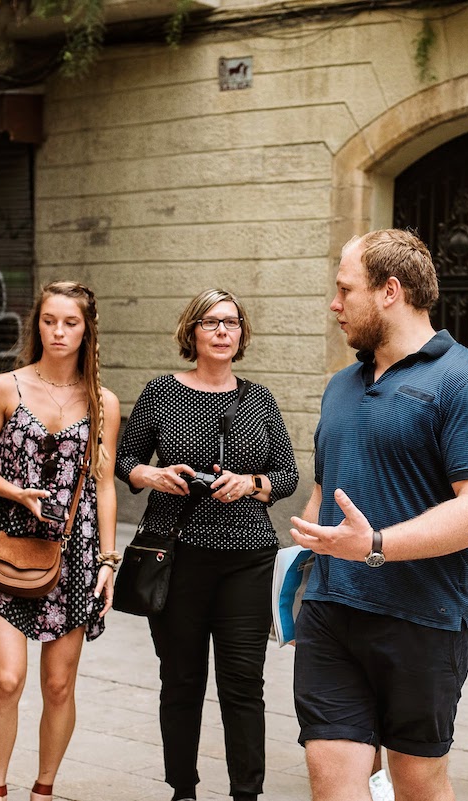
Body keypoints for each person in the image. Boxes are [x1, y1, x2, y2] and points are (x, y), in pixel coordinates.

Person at [289, 229, 468, 801]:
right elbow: (325, 490)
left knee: (418, 782)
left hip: (425, 619)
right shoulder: (341, 385)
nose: (334, 305)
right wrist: (302, 574)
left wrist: (377, 544)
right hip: (331, 612)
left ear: (390, 291)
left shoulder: (466, 383)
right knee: (332, 783)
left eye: (345, 290)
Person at [115, 288, 298, 801]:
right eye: (211, 322)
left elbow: (286, 473)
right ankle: (184, 790)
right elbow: (124, 462)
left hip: (248, 557)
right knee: (181, 680)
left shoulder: (259, 398)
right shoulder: (160, 393)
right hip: (177, 556)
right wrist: (154, 474)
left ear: (242, 334)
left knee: (243, 684)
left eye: (232, 323)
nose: (223, 331)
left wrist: (251, 483)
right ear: (191, 331)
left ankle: (247, 793)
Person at [0, 281, 121, 801]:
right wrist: (16, 492)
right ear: (37, 324)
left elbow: (104, 483)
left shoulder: (103, 402)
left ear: (87, 329)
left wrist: (108, 561)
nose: (58, 331)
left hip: (74, 552)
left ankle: (43, 790)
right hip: (8, 543)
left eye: (70, 322)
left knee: (58, 685)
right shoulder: (4, 387)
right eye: (50, 320)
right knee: (8, 679)